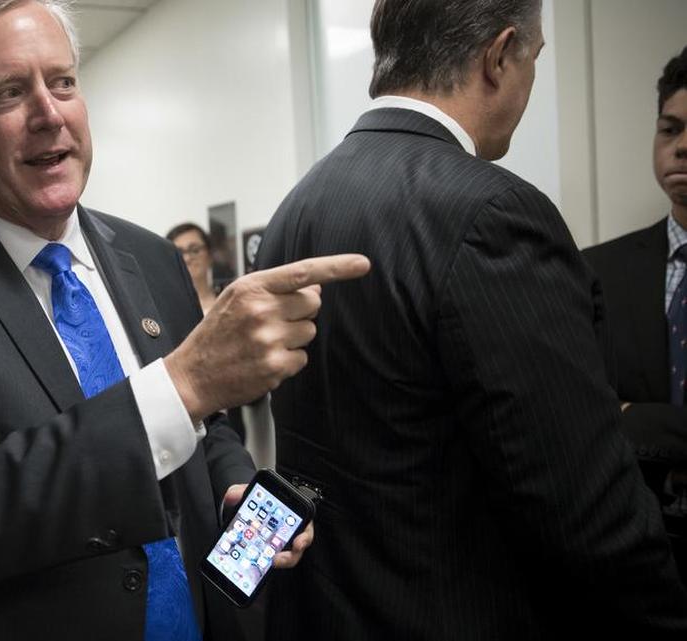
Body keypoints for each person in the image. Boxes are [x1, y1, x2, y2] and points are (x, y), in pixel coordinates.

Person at [0, 1, 369, 640]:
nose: (48, 114)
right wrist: (182, 383)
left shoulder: (151, 257)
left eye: (63, 82)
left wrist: (235, 484)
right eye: (7, 92)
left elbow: (206, 426)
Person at [256, 1, 687, 638]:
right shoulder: (493, 215)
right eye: (534, 60)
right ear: (499, 55)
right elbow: (584, 506)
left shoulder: (300, 204)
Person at [584, 45, 687, 584]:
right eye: (669, 130)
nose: (682, 148)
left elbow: (612, 417)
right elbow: (583, 417)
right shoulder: (595, 270)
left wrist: (630, 416)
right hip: (634, 555)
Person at [167, 223, 218, 314]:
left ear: (210, 254)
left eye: (195, 250)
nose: (187, 258)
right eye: (179, 254)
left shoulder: (229, 301)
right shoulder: (165, 309)